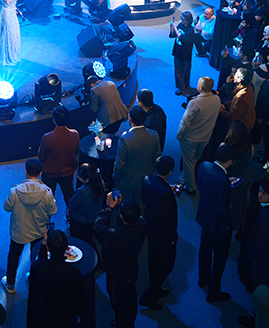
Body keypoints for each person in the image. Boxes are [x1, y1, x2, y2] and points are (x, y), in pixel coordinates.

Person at [2, 158, 56, 294]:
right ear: (40, 173)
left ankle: (10, 284)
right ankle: (33, 279)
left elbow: (6, 207)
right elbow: (53, 211)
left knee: (14, 256)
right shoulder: (47, 192)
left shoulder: (15, 191)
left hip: (19, 231)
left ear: (25, 171)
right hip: (38, 230)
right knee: (36, 255)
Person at [95, 195, 147, 328]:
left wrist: (109, 208)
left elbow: (98, 226)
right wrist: (120, 206)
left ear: (122, 217)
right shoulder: (141, 223)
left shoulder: (118, 235)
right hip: (130, 267)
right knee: (129, 297)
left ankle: (122, 324)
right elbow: (127, 219)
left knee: (118, 302)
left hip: (117, 272)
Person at [197, 143, 238, 303]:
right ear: (229, 161)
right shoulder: (223, 182)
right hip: (219, 225)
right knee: (220, 259)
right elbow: (222, 210)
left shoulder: (204, 166)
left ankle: (203, 279)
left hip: (204, 216)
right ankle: (213, 293)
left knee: (204, 249)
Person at [140, 155, 177, 309]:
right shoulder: (167, 194)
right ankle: (150, 293)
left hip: (150, 226)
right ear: (170, 172)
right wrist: (173, 237)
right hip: (163, 234)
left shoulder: (147, 179)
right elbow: (169, 220)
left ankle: (155, 286)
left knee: (153, 258)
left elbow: (144, 199)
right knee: (167, 264)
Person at [28, 230, 87, 328]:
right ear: (66, 248)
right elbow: (81, 298)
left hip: (47, 316)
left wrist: (44, 243)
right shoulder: (75, 272)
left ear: (48, 248)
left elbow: (40, 258)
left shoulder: (41, 266)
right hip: (68, 318)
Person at [238, 180, 269, 291]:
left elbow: (262, 247)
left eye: (263, 193)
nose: (259, 195)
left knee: (259, 290)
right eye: (260, 191)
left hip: (262, 263)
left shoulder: (268, 219)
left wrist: (248, 256)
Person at [177, 77, 222, 194]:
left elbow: (185, 122)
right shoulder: (217, 99)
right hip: (205, 137)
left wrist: (179, 135)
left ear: (201, 87)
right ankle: (184, 178)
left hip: (190, 138)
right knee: (194, 160)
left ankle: (191, 187)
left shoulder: (195, 102)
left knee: (188, 163)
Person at [38, 105, 80, 205]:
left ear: (54, 120)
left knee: (47, 198)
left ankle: (48, 214)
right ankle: (70, 213)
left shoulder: (47, 137)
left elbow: (41, 157)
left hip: (49, 173)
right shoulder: (75, 134)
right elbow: (75, 152)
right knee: (69, 196)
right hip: (68, 172)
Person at [66, 163, 106, 257]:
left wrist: (68, 214)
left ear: (86, 180)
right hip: (92, 220)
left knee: (77, 242)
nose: (78, 177)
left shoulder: (82, 192)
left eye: (80, 176)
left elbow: (73, 206)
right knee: (87, 239)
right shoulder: (100, 186)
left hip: (79, 222)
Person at [170, 11, 201, 95]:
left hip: (186, 53)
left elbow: (182, 38)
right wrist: (171, 27)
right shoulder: (180, 25)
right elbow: (173, 35)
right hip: (177, 51)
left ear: (188, 20)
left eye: (183, 19)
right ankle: (179, 87)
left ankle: (186, 86)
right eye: (181, 18)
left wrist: (175, 28)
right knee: (177, 70)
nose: (182, 20)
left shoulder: (190, 30)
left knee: (186, 70)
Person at [221, 66, 256, 131]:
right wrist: (225, 104)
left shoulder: (241, 96)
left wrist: (222, 111)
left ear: (239, 80)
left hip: (240, 128)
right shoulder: (248, 88)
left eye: (235, 75)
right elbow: (236, 104)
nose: (233, 76)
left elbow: (233, 117)